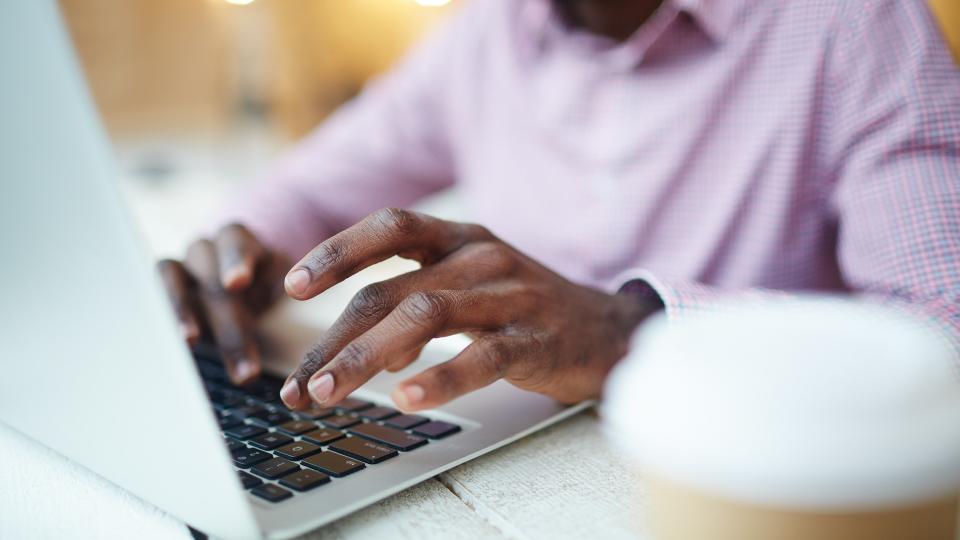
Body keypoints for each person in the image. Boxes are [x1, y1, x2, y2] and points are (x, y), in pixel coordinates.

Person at [158, 0, 960, 413]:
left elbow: (944, 330)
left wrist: (631, 331)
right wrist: (240, 256)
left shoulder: (855, 28)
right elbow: (311, 188)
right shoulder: (487, 32)